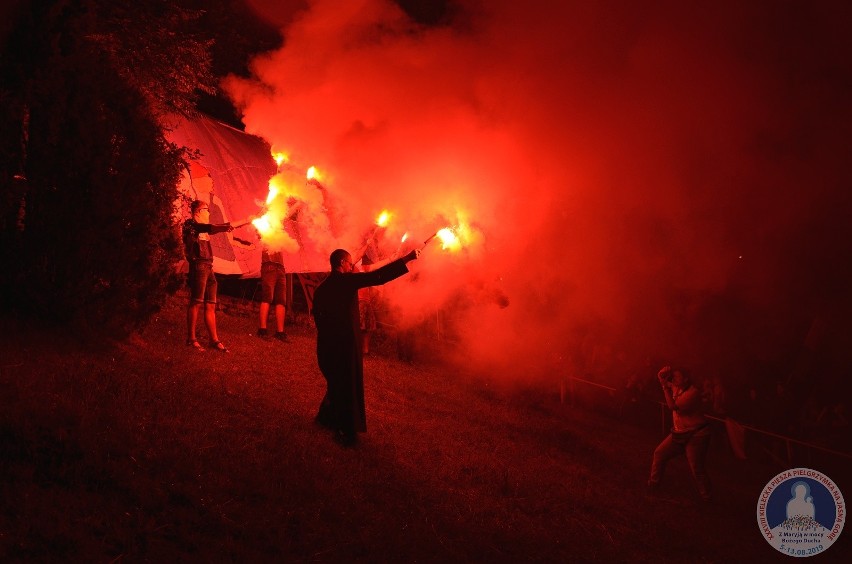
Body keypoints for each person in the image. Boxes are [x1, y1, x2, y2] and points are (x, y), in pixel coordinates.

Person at [312, 246, 421, 446]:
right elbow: (379, 277)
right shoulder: (346, 282)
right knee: (346, 387)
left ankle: (324, 418)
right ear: (342, 264)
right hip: (344, 347)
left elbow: (317, 316)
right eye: (351, 262)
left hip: (327, 348)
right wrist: (407, 259)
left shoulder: (323, 287)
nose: (353, 266)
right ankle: (346, 432)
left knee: (336, 384)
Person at [647, 365, 712, 501]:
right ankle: (653, 485)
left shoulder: (692, 393)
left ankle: (707, 498)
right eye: (674, 376)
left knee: (697, 469)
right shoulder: (678, 386)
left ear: (686, 379)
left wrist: (665, 387)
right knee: (659, 454)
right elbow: (665, 382)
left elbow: (672, 406)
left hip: (696, 435)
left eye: (677, 377)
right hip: (679, 432)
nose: (674, 379)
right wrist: (660, 376)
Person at [257, 246, 288, 342]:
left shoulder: (280, 232)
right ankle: (262, 330)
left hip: (281, 268)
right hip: (269, 265)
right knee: (267, 297)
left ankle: (280, 332)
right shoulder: (265, 231)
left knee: (281, 300)